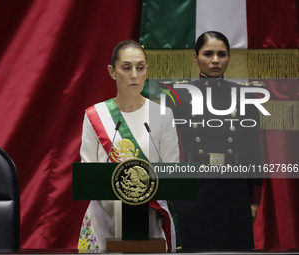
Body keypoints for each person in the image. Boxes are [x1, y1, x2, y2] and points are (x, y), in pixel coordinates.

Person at [78, 40, 179, 252]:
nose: (134, 74)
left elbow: (172, 173)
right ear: (112, 71)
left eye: (140, 68)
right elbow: (88, 174)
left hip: (149, 223)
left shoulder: (163, 115)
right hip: (104, 222)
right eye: (126, 68)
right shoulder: (96, 116)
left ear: (146, 71)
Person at [168, 31, 263, 251]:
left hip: (233, 191)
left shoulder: (245, 97)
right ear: (195, 57)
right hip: (192, 190)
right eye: (208, 54)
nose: (215, 60)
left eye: (221, 54)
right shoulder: (178, 95)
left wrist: (254, 199)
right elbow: (168, 147)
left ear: (229, 57)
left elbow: (253, 151)